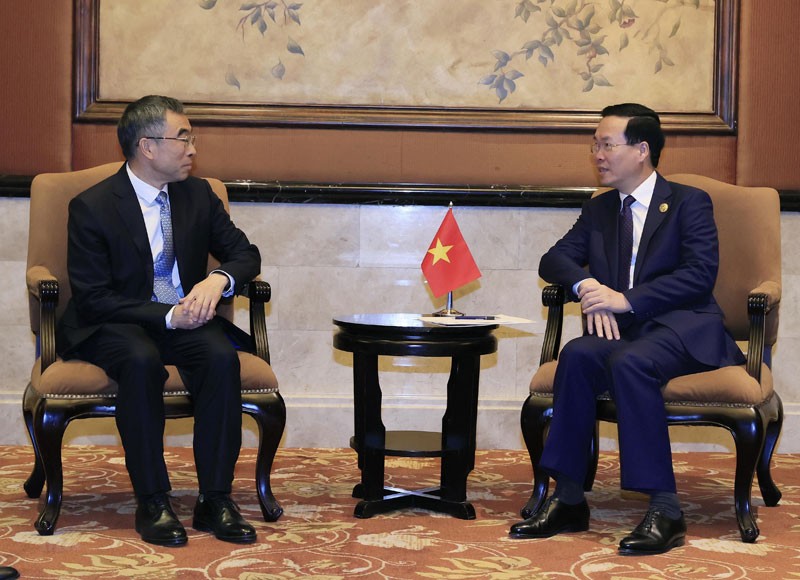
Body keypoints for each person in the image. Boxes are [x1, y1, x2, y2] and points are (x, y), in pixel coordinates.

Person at [509, 103, 745, 555]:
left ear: (641, 150)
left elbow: (699, 274)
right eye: (594, 144)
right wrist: (587, 283)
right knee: (577, 355)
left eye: (606, 144)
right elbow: (553, 259)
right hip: (627, 333)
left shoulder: (687, 202)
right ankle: (570, 499)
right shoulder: (599, 209)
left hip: (683, 328)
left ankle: (666, 508)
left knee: (630, 361)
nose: (597, 153)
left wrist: (626, 300)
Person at [57, 95, 262, 547]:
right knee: (140, 359)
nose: (193, 148)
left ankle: (215, 499)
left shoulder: (198, 194)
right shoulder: (93, 207)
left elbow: (245, 253)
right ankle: (152, 500)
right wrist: (168, 314)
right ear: (148, 146)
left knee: (219, 357)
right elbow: (93, 298)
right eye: (183, 137)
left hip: (183, 319)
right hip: (115, 323)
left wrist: (218, 281)